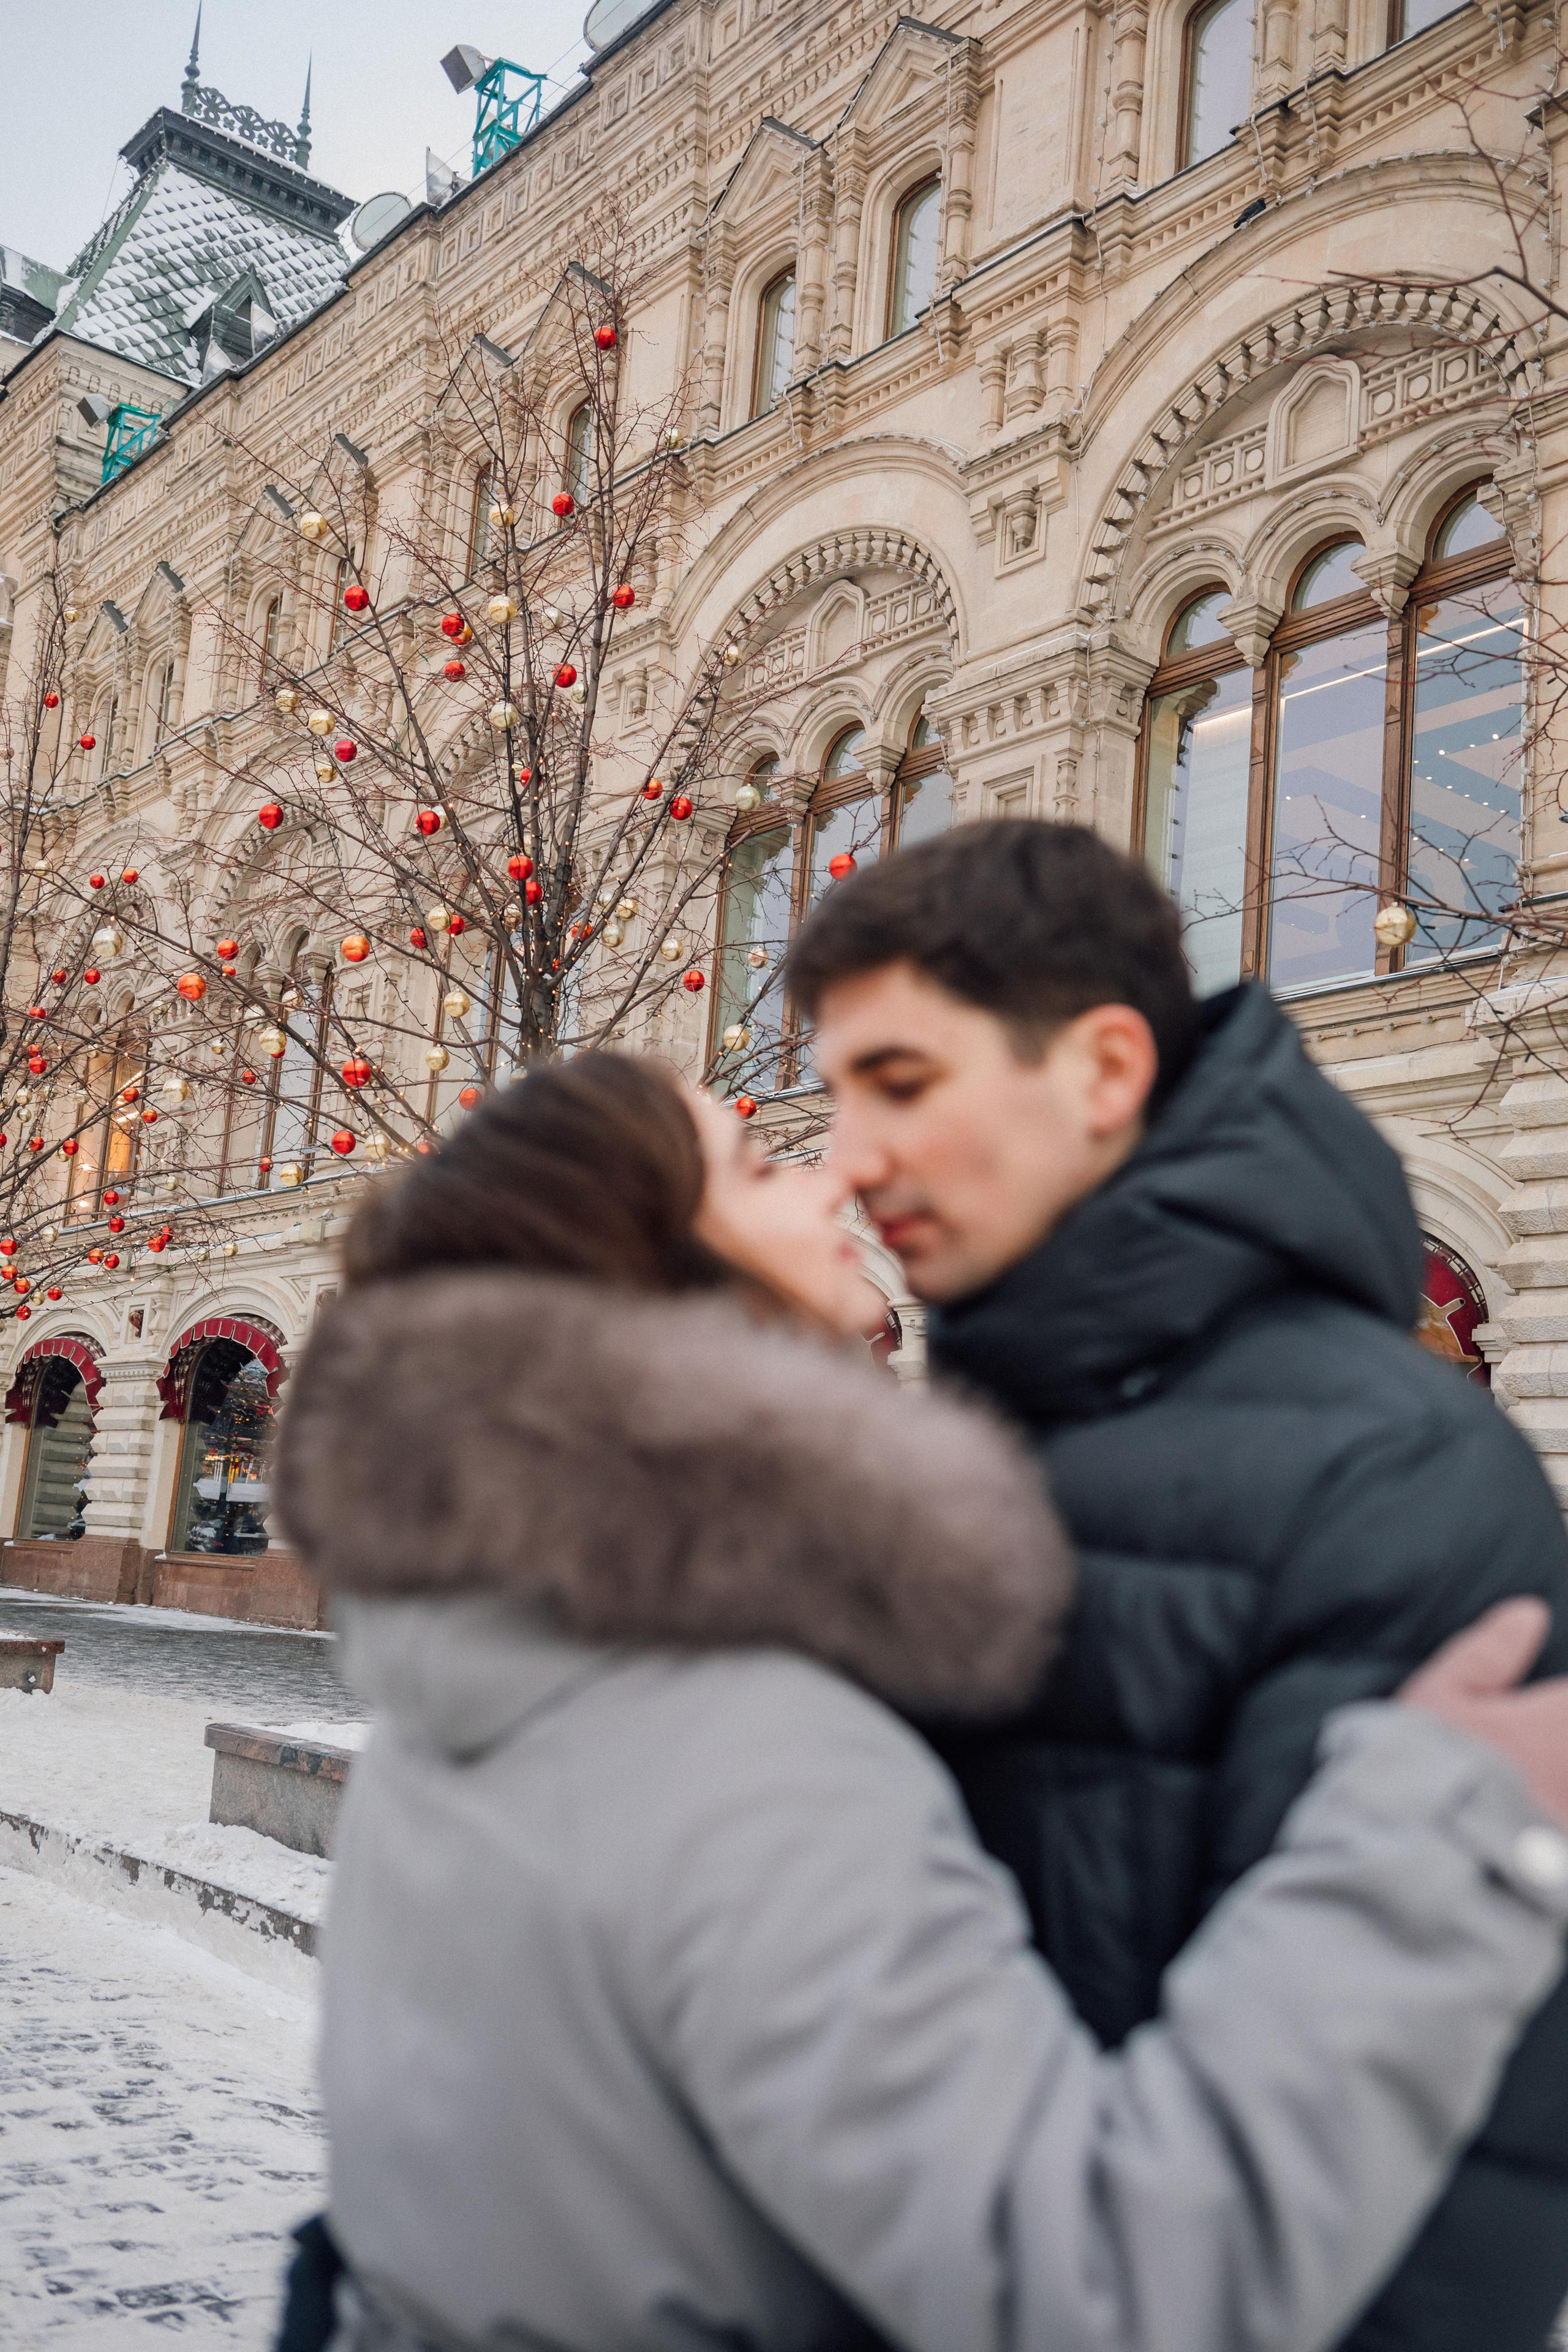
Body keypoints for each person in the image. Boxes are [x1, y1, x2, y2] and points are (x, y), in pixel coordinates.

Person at [274, 1052, 1568, 2352]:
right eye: (758, 1170)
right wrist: (1449, 1825)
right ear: (660, 1270)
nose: (834, 1170)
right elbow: (1101, 2289)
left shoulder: (475, 1681)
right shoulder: (742, 1749)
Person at [788, 816, 1568, 2352]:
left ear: (1098, 1070)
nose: (848, 1160)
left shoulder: (1389, 1474)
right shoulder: (975, 1435)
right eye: (835, 1098)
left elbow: (1421, 2184)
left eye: (899, 1085)